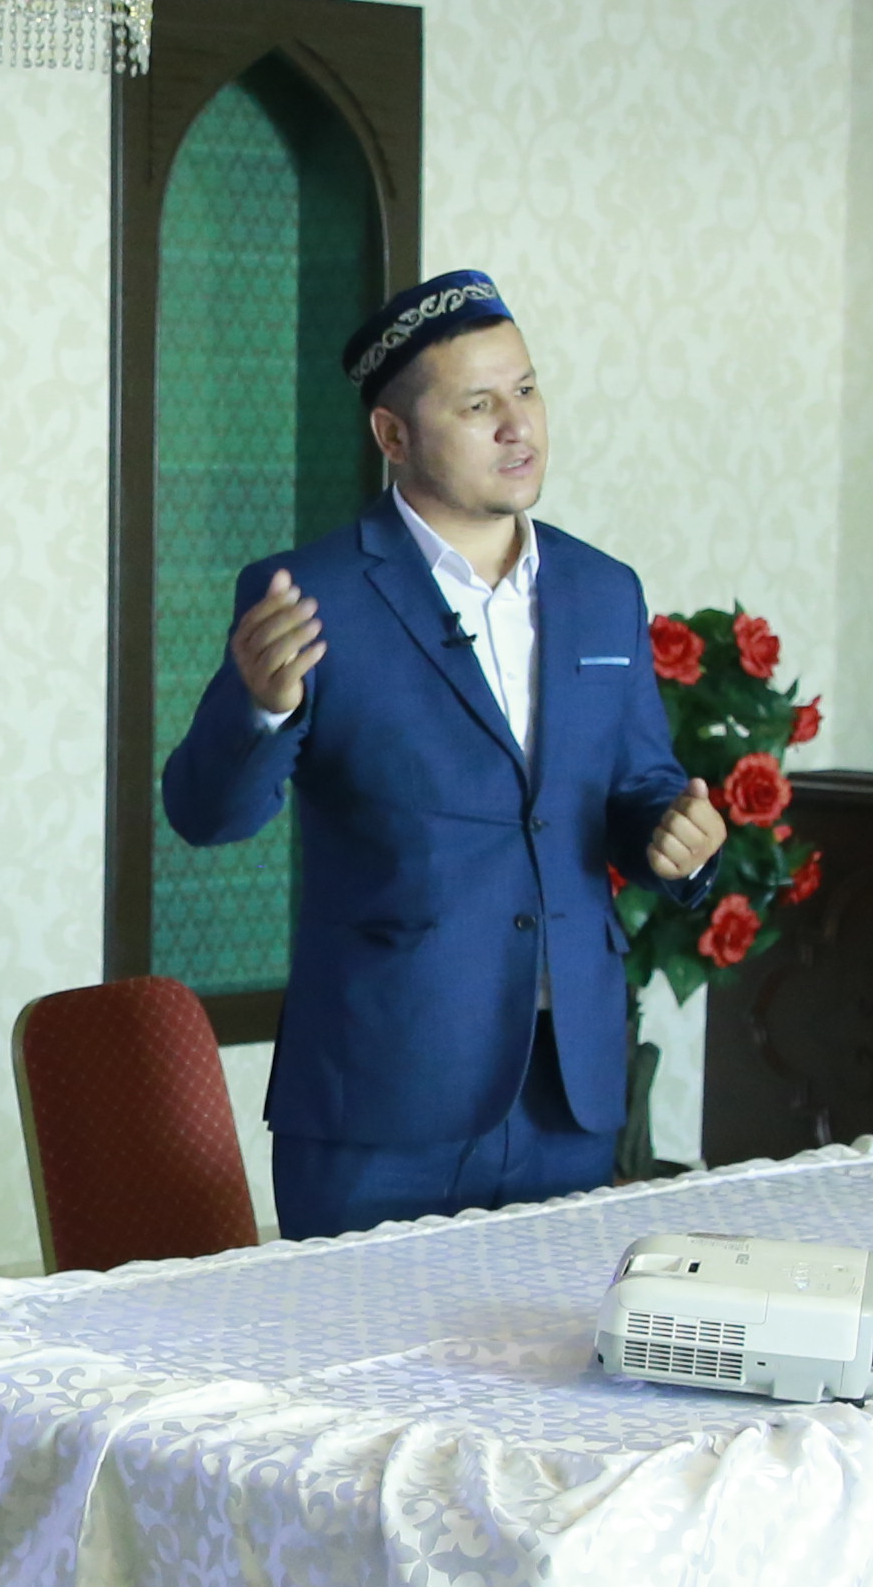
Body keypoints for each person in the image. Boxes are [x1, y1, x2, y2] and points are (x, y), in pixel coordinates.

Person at [159, 266, 729, 1240]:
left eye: (527, 389)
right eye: (477, 405)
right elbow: (205, 816)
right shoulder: (311, 593)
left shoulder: (604, 590)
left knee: (555, 1342)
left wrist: (678, 837)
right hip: (383, 1094)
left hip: (568, 1087)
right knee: (351, 1345)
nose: (518, 425)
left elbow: (638, 785)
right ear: (393, 436)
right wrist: (258, 708)